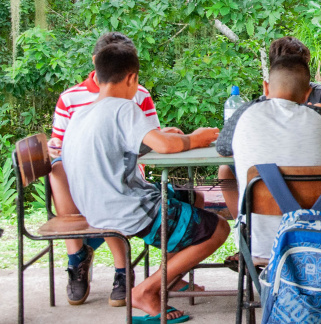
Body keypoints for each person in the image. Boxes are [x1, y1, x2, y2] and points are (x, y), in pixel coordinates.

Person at [62, 42, 230, 323]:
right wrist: (195, 138)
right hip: (125, 208)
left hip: (96, 206)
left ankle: (171, 277)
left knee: (193, 199)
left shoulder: (82, 113)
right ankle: (145, 291)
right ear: (131, 78)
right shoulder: (123, 108)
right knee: (218, 229)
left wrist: (160, 134)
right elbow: (163, 147)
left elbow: (128, 143)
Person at [48, 32, 183, 307]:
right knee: (58, 166)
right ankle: (79, 258)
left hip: (123, 174)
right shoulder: (71, 98)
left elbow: (151, 137)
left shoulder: (138, 94)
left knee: (110, 181)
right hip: (84, 181)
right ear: (98, 62)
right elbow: (59, 145)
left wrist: (161, 134)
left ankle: (123, 270)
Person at [215, 55, 321, 258]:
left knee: (226, 170)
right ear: (307, 93)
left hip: (260, 243)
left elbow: (222, 148)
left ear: (266, 87)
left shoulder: (244, 114)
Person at [217, 36, 321, 217]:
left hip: (264, 217)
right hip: (318, 215)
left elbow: (222, 147)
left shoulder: (248, 111)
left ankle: (244, 229)